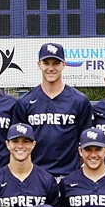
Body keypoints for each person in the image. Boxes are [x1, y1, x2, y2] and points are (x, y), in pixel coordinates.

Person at [13, 43, 93, 178]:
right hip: (35, 176)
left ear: (64, 64)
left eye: (56, 63)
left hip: (69, 176)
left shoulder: (79, 101)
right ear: (39, 64)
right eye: (46, 63)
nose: (51, 68)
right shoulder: (25, 102)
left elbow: (85, 141)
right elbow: (18, 143)